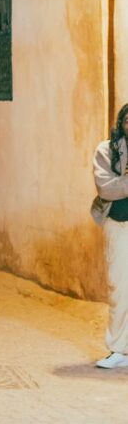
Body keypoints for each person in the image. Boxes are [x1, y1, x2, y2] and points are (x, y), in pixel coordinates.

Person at [92, 102, 128, 368]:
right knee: (120, 288)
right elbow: (106, 188)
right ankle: (118, 350)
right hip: (119, 224)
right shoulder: (106, 150)